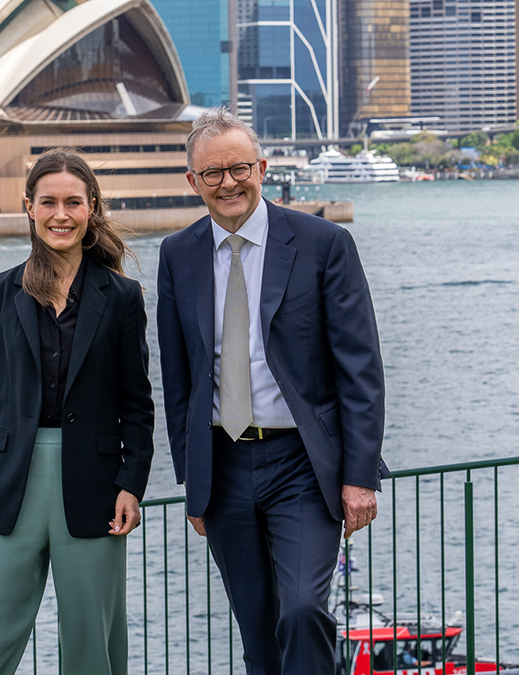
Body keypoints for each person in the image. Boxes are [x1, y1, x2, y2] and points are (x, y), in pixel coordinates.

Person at [156, 107, 387, 675]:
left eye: (239, 168)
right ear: (193, 182)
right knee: (257, 626)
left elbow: (360, 368)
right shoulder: (177, 255)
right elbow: (178, 376)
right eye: (212, 173)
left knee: (304, 610)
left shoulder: (323, 243)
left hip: (303, 466)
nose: (228, 182)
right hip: (223, 464)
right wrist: (194, 482)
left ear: (262, 166)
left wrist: (358, 477)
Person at [0, 150, 155, 675]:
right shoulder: (0, 291)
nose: (60, 214)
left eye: (72, 202)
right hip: (9, 480)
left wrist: (132, 482)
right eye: (49, 203)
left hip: (96, 483)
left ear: (91, 209)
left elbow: (137, 401)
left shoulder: (123, 297)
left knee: (93, 645)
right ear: (29, 208)